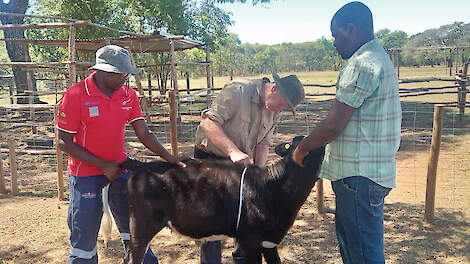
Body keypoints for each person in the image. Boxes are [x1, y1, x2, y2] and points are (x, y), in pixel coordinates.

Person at [293, 2, 402, 263]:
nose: (333, 43)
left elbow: (333, 125)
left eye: (336, 35)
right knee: (358, 250)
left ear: (351, 29)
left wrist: (303, 148)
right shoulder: (379, 58)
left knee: (362, 255)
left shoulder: (362, 64)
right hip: (367, 176)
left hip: (358, 177)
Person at [57, 44, 184, 264]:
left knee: (136, 231)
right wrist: (103, 165)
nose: (125, 77)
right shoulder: (76, 95)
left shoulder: (128, 95)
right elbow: (63, 142)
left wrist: (170, 158)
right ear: (102, 71)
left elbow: (144, 133)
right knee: (84, 238)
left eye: (126, 73)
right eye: (120, 73)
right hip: (85, 175)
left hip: (119, 170)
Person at [194, 73, 305, 264]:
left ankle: (242, 258)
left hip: (240, 163)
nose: (280, 110)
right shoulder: (238, 91)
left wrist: (258, 175)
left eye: (285, 108)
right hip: (212, 159)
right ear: (274, 88)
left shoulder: (275, 108)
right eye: (281, 105)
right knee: (214, 219)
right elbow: (208, 123)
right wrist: (233, 151)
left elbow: (263, 143)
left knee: (250, 215)